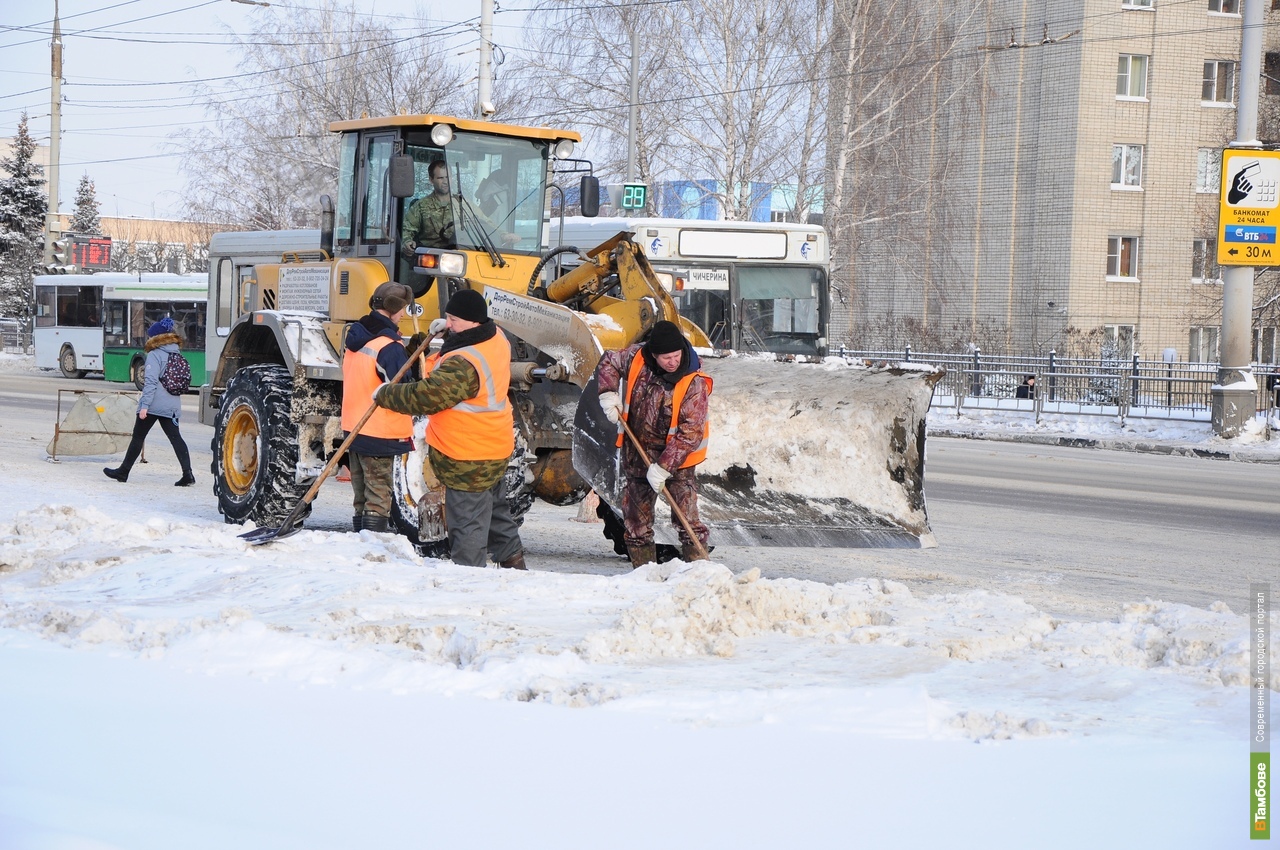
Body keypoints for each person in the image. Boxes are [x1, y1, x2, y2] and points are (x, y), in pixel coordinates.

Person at [372, 288, 527, 570]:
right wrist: (449, 333)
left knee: (466, 524)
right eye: (447, 316)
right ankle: (514, 566)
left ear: (473, 322)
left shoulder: (464, 363)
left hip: (468, 455)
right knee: (495, 513)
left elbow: (428, 396)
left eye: (454, 318)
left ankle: (468, 581)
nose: (448, 321)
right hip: (494, 445)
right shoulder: (496, 338)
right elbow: (466, 345)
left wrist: (386, 394)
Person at [593, 320, 712, 567]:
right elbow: (609, 361)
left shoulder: (693, 382)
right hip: (638, 453)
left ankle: (700, 573)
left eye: (676, 355)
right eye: (666, 357)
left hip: (678, 462)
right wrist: (608, 393)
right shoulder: (637, 357)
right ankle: (642, 575)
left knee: (688, 522)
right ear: (653, 355)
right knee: (636, 523)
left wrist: (664, 467)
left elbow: (690, 433)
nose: (672, 361)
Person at [341, 282, 416, 533]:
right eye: (403, 308)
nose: (404, 314)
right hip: (380, 432)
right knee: (378, 496)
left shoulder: (357, 336)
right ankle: (372, 544)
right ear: (392, 308)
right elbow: (403, 389)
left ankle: (361, 540)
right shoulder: (388, 346)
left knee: (361, 497)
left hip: (354, 428)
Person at [103, 317, 195, 486]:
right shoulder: (176, 353)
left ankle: (123, 472)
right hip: (172, 405)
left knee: (138, 437)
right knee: (176, 438)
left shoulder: (154, 355)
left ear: (155, 338)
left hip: (153, 405)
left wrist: (144, 406)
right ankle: (188, 474)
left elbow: (151, 383)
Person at [401, 159, 455, 254]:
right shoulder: (421, 206)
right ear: (431, 180)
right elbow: (407, 229)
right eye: (440, 178)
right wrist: (407, 241)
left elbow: (485, 223)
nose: (446, 181)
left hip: (459, 255)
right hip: (429, 258)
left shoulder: (463, 205)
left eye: (448, 177)